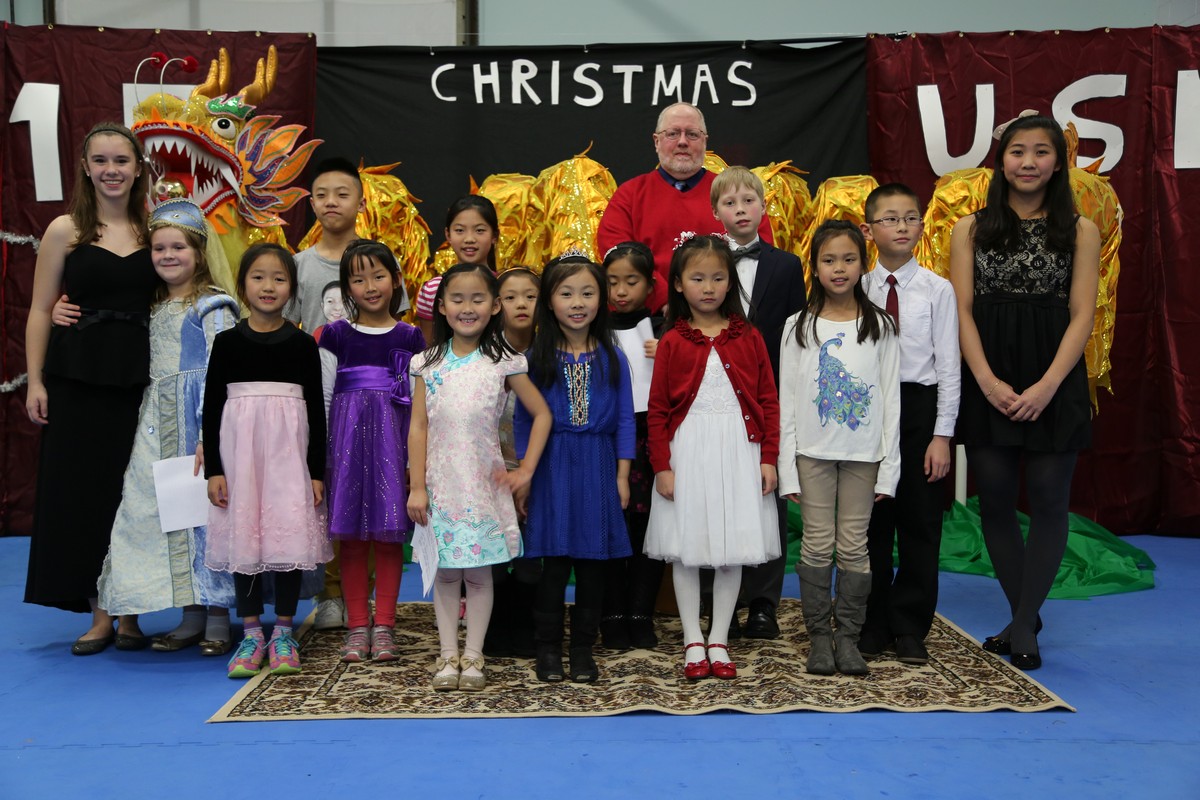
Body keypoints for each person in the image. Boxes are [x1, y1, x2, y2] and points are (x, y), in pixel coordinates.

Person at [948, 114, 1100, 671]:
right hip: (988, 372)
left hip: (1053, 375)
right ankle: (1023, 618)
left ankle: (1022, 626)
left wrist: (1047, 386)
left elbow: (1082, 313)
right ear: (1001, 161)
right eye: (1017, 151)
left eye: (1041, 151)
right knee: (994, 499)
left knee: (1049, 498)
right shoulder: (970, 228)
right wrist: (987, 382)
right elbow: (961, 310)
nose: (1028, 162)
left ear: (1058, 163)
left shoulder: (1081, 230)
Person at [24, 122, 160, 655]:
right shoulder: (65, 230)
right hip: (77, 377)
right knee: (83, 494)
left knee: (133, 496)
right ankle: (100, 615)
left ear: (138, 168)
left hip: (140, 378)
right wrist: (36, 380)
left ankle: (131, 614)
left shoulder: (155, 228)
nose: (111, 170)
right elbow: (40, 309)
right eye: (100, 161)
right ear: (85, 167)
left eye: (121, 161)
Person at [89, 199, 240, 654]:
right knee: (174, 515)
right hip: (157, 423)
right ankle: (189, 615)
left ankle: (218, 617)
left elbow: (221, 370)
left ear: (198, 252)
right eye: (159, 248)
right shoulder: (153, 305)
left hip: (198, 422)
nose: (168, 255)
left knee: (208, 517)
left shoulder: (213, 306)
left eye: (179, 247)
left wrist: (208, 435)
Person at [408, 263, 551, 691]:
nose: (467, 308)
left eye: (477, 299)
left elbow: (542, 414)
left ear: (494, 306)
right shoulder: (427, 363)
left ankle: (474, 655)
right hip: (440, 485)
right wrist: (417, 487)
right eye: (457, 299)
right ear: (442, 307)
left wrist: (526, 470)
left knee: (479, 574)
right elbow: (418, 427)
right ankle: (447, 653)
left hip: (482, 487)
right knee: (446, 573)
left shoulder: (504, 361)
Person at [644, 235, 780, 680]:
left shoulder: (749, 337)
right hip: (688, 453)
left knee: (730, 550)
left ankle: (719, 637)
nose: (708, 287)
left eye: (718, 278)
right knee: (685, 550)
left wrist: (769, 457)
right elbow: (658, 409)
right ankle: (691, 638)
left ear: (730, 282)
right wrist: (662, 466)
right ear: (678, 284)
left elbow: (768, 399)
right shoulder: (672, 340)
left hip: (739, 450)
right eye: (697, 278)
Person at [291, 158, 411, 632]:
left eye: (342, 194)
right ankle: (332, 594)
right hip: (330, 404)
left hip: (384, 419)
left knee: (382, 511)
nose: (331, 203)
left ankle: (380, 612)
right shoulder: (300, 265)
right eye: (321, 194)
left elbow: (402, 349)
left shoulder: (383, 262)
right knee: (333, 504)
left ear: (361, 201)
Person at [778, 220, 900, 676]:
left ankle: (848, 638)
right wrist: (787, 467)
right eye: (829, 260)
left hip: (864, 456)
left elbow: (891, 401)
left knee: (853, 546)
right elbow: (787, 400)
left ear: (863, 265)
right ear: (815, 266)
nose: (839, 268)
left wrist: (889, 469)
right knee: (815, 543)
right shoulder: (798, 327)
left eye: (849, 259)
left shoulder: (881, 326)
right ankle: (818, 640)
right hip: (812, 454)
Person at [203, 243, 331, 678]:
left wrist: (316, 472)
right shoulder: (226, 343)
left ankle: (284, 632)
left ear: (291, 288)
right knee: (247, 541)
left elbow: (316, 412)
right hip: (241, 458)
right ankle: (252, 632)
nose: (268, 286)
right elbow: (212, 408)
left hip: (288, 458)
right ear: (243, 286)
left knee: (287, 539)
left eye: (279, 278)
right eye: (258, 277)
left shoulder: (302, 345)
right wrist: (215, 470)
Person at [514, 254, 635, 683]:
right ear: (549, 301)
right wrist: (526, 476)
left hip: (598, 466)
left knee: (593, 566)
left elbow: (625, 420)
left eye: (587, 292)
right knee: (554, 564)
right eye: (566, 293)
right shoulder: (535, 358)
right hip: (552, 466)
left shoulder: (613, 358)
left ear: (602, 299)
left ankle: (583, 649)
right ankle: (548, 650)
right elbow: (524, 421)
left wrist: (622, 476)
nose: (577, 302)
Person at [857, 183, 961, 665]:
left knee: (920, 522)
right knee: (871, 523)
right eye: (890, 219)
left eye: (911, 218)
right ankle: (872, 621)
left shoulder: (938, 290)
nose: (902, 227)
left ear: (922, 224)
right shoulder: (856, 287)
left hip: (919, 409)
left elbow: (948, 368)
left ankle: (910, 624)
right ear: (868, 230)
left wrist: (942, 436)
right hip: (869, 411)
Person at [710, 166, 807, 640]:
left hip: (770, 394)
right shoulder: (704, 260)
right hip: (715, 394)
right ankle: (719, 601)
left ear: (764, 207)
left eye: (749, 201)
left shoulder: (786, 266)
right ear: (716, 212)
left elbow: (798, 334)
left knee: (767, 494)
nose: (741, 209)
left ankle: (764, 603)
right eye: (730, 203)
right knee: (718, 493)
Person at [319, 240, 425, 663]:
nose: (370, 286)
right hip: (346, 448)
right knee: (351, 540)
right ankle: (357, 626)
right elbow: (324, 396)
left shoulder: (410, 336)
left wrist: (414, 462)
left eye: (378, 276)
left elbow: (420, 405)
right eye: (359, 279)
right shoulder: (336, 334)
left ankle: (384, 626)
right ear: (347, 287)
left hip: (393, 448)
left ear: (395, 280)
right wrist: (324, 456)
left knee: (387, 538)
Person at [596, 102, 772, 312]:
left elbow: (760, 250)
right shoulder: (629, 195)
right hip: (650, 316)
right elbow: (616, 253)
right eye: (672, 134)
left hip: (726, 314)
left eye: (692, 134)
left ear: (705, 142)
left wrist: (720, 302)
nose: (682, 142)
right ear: (657, 141)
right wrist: (664, 300)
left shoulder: (734, 194)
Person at [600, 241, 665, 651]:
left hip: (650, 435)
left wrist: (670, 352)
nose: (621, 291)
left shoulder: (665, 328)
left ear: (651, 285)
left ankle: (641, 613)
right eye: (612, 282)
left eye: (631, 281)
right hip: (607, 435)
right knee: (611, 523)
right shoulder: (592, 328)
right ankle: (610, 613)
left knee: (648, 525)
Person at [484, 267, 543, 658]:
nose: (521, 304)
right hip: (491, 470)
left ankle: (527, 625)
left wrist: (530, 472)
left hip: (536, 467)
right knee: (493, 549)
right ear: (495, 305)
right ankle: (494, 625)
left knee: (530, 553)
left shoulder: (551, 354)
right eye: (510, 297)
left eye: (530, 296)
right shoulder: (484, 354)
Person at [414, 195, 500, 345]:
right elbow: (429, 346)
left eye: (479, 230)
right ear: (448, 235)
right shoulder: (432, 290)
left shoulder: (505, 287)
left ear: (494, 235)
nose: (469, 239)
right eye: (460, 230)